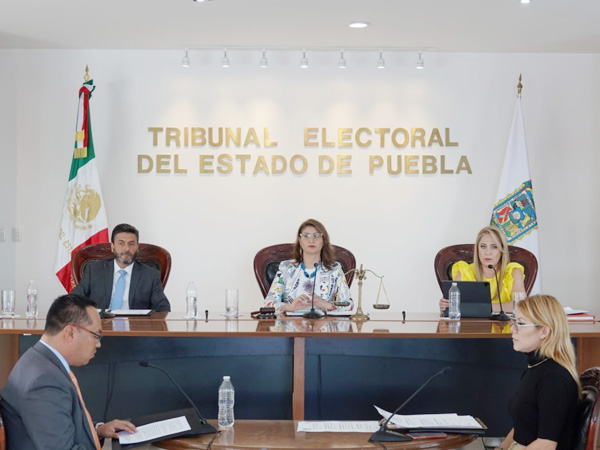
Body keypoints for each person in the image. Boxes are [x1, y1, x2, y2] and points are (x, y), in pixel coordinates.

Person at [0, 294, 137, 449]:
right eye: (96, 336)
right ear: (70, 333)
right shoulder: (44, 382)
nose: (98, 344)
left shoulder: (38, 361)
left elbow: (55, 426)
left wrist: (97, 430)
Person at [495, 295, 580, 450]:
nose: (512, 329)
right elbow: (522, 427)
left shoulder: (554, 379)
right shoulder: (536, 368)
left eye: (521, 323)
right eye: (514, 322)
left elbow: (546, 445)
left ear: (544, 332)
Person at [72, 223, 170, 312]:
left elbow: (163, 308)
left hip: (135, 324)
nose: (126, 248)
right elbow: (74, 300)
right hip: (101, 323)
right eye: (121, 243)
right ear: (112, 246)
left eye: (131, 244)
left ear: (137, 247)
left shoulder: (150, 275)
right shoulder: (94, 270)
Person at [265, 218, 353, 313]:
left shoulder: (334, 269)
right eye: (306, 236)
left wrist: (326, 305)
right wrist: (289, 307)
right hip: (291, 321)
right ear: (300, 240)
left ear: (323, 240)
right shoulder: (286, 267)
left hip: (324, 321)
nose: (311, 240)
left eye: (316, 236)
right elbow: (269, 303)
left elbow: (349, 305)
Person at [439, 226, 526, 314]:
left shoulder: (513, 271)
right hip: (471, 322)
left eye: (494, 247)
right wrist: (445, 305)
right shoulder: (465, 270)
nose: (488, 252)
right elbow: (455, 305)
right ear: (477, 250)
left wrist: (483, 307)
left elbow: (520, 305)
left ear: (502, 250)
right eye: (483, 246)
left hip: (505, 322)